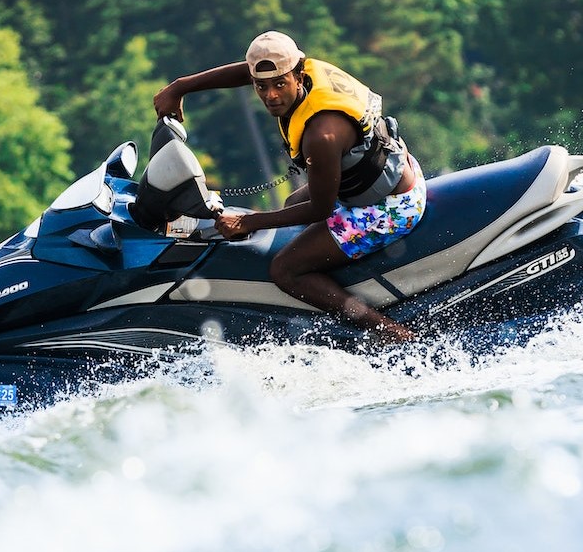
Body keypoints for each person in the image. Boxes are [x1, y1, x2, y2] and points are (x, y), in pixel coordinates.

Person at [153, 30, 426, 342]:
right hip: (382, 173)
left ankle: (391, 334)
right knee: (289, 207)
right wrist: (181, 87)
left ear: (297, 74)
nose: (270, 95)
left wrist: (246, 221)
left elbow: (320, 209)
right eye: (261, 86)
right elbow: (249, 70)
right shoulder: (303, 71)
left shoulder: (320, 135)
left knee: (285, 270)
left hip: (390, 207)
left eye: (279, 84)